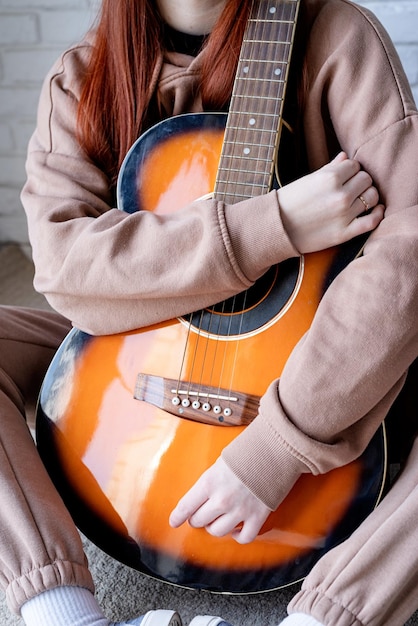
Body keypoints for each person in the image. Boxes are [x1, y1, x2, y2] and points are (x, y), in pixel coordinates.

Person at [1, 0, 416, 625]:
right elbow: (64, 269)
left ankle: (325, 617)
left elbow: (407, 253)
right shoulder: (84, 74)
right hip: (134, 336)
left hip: (323, 345)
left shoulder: (340, 38)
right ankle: (62, 612)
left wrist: (279, 445)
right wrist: (273, 226)